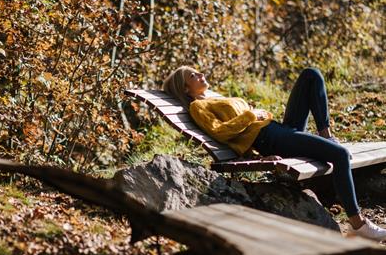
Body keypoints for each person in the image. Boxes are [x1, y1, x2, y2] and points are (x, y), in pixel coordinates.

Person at [163, 66, 386, 242]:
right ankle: (358, 225)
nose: (200, 74)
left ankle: (326, 134)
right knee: (339, 155)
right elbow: (222, 133)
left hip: (277, 129)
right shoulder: (197, 108)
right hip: (271, 139)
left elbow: (238, 134)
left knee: (311, 75)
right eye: (193, 75)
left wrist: (256, 149)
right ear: (185, 88)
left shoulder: (212, 98)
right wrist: (252, 121)